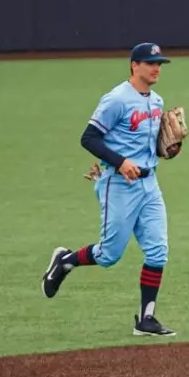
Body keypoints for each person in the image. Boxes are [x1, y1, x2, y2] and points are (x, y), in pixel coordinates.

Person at [41, 42, 179, 337]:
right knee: (109, 255)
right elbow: (88, 138)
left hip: (149, 184)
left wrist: (169, 149)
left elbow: (150, 143)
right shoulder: (116, 99)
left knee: (157, 252)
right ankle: (65, 261)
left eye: (159, 64)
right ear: (134, 65)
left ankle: (146, 319)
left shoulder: (156, 101)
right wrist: (119, 161)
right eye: (150, 63)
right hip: (119, 184)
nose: (156, 68)